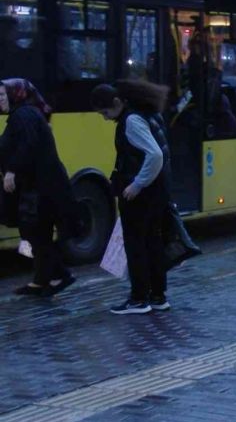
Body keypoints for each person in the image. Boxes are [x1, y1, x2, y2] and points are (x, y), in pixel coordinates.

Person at [90, 80, 172, 314]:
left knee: (136, 244)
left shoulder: (131, 121)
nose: (105, 118)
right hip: (158, 192)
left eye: (105, 112)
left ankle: (138, 299)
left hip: (142, 194)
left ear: (117, 103)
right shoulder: (149, 113)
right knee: (153, 243)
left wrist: (137, 184)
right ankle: (158, 295)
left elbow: (154, 155)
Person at [0, 79, 78, 297]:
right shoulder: (25, 114)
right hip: (40, 186)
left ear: (16, 95)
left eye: (3, 95)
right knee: (37, 233)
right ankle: (41, 280)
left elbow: (28, 144)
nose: (0, 101)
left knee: (34, 232)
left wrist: (12, 170)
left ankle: (60, 274)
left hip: (41, 188)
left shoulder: (23, 115)